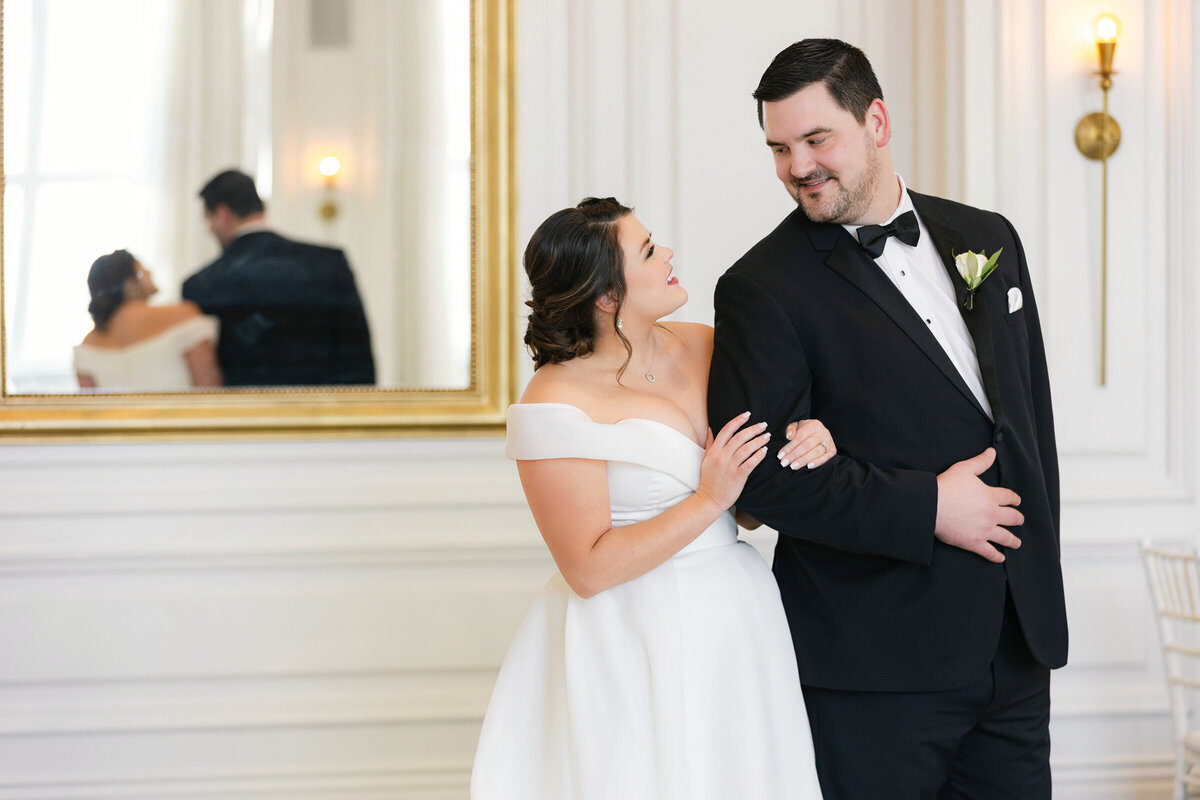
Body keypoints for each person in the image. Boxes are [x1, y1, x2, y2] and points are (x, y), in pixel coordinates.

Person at [707, 39, 1067, 799]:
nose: (797, 166)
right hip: (873, 666)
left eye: (816, 139)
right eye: (778, 148)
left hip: (1014, 646)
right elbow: (762, 481)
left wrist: (1038, 587)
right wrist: (930, 506)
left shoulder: (988, 238)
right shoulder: (758, 288)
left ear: (877, 121)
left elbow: (1030, 420)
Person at [472, 198, 829, 799]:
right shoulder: (553, 400)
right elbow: (587, 568)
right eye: (646, 251)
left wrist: (810, 443)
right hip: (628, 634)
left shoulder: (708, 345)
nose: (667, 254)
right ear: (607, 296)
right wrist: (707, 499)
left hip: (737, 618)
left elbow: (746, 504)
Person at [182, 169, 376, 387]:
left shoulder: (201, 284)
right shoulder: (327, 262)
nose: (211, 230)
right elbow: (358, 357)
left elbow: (208, 376)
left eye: (209, 220)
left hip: (244, 415)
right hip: (321, 412)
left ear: (224, 213)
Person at [74, 249, 222, 390]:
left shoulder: (88, 343)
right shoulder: (182, 315)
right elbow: (209, 390)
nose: (149, 271)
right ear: (130, 284)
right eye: (142, 270)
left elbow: (92, 408)